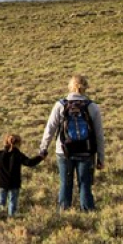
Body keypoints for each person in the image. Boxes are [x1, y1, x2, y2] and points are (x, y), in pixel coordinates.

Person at [38, 74, 105, 211]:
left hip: (63, 151)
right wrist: (101, 158)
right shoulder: (92, 107)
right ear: (85, 87)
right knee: (85, 184)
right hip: (86, 152)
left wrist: (43, 149)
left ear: (70, 86)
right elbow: (99, 135)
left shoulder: (60, 105)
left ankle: (64, 213)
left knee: (65, 184)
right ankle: (88, 214)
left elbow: (50, 129)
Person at [0, 133, 44, 216]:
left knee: (1, 203)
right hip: (14, 184)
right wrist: (40, 157)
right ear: (18, 143)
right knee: (12, 203)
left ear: (5, 142)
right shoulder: (18, 155)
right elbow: (30, 162)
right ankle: (12, 220)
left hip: (1, 184)